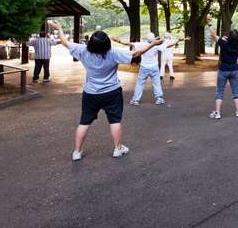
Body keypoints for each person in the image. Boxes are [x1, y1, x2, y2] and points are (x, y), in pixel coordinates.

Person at [48, 21, 161, 161]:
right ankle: (117, 149)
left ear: (90, 43)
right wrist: (152, 44)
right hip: (112, 92)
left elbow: (65, 41)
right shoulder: (113, 53)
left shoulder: (82, 51)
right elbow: (136, 53)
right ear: (107, 43)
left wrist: (59, 28)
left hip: (90, 93)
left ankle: (77, 152)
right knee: (114, 121)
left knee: (84, 122)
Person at [112, 33, 189, 106]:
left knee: (140, 83)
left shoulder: (142, 44)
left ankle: (135, 100)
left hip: (144, 67)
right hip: (154, 67)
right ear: (153, 39)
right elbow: (169, 45)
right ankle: (159, 98)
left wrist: (119, 41)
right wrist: (179, 40)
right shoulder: (156, 45)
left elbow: (129, 43)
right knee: (156, 83)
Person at [208, 18, 238, 119]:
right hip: (234, 70)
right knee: (236, 91)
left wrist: (209, 22)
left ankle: (217, 113)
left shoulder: (223, 43)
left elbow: (212, 34)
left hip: (223, 70)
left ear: (229, 37)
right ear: (237, 38)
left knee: (219, 91)